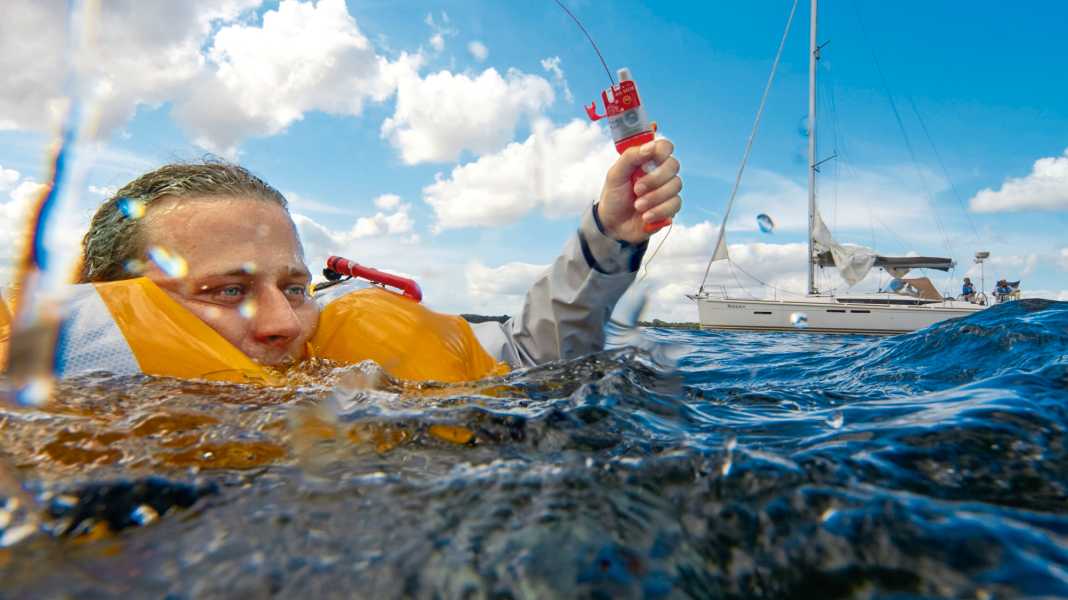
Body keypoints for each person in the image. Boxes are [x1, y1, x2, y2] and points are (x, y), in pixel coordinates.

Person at [72, 140, 682, 374]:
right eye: (228, 290)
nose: (284, 323)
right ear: (112, 302)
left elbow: (530, 358)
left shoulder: (354, 365)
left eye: (294, 288)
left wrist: (611, 233)